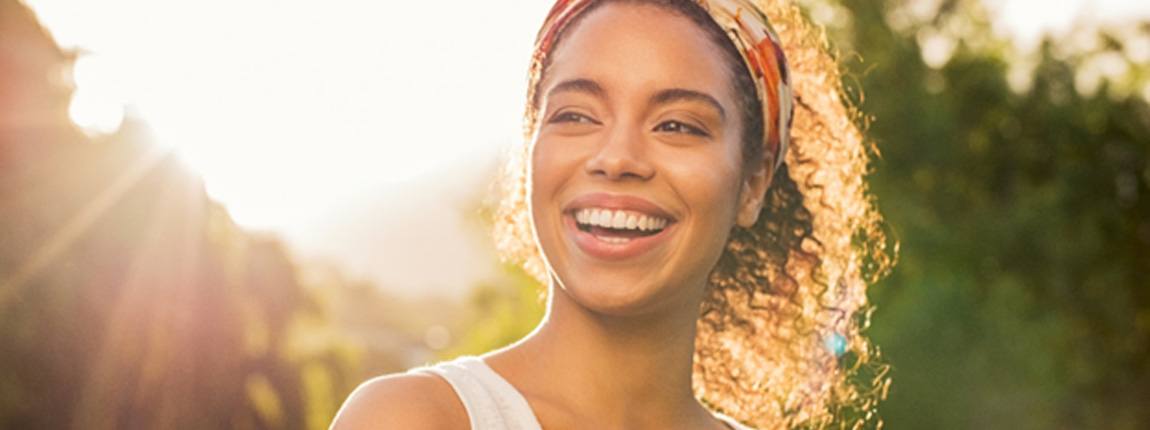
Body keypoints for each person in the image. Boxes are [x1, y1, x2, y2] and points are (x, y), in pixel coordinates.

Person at [332, 0, 891, 428]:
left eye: (677, 125)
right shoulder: (415, 419)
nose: (617, 158)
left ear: (753, 183)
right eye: (576, 115)